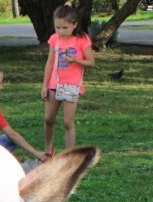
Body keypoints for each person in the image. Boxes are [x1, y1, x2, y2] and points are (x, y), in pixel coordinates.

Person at [41, 3, 94, 159]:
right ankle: (48, 150)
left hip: (71, 85)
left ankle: (69, 155)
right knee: (48, 118)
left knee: (67, 122)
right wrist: (45, 85)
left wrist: (75, 60)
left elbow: (91, 62)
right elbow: (50, 62)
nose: (61, 31)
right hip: (54, 84)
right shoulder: (54, 39)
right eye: (57, 27)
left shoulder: (82, 39)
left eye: (64, 28)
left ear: (74, 25)